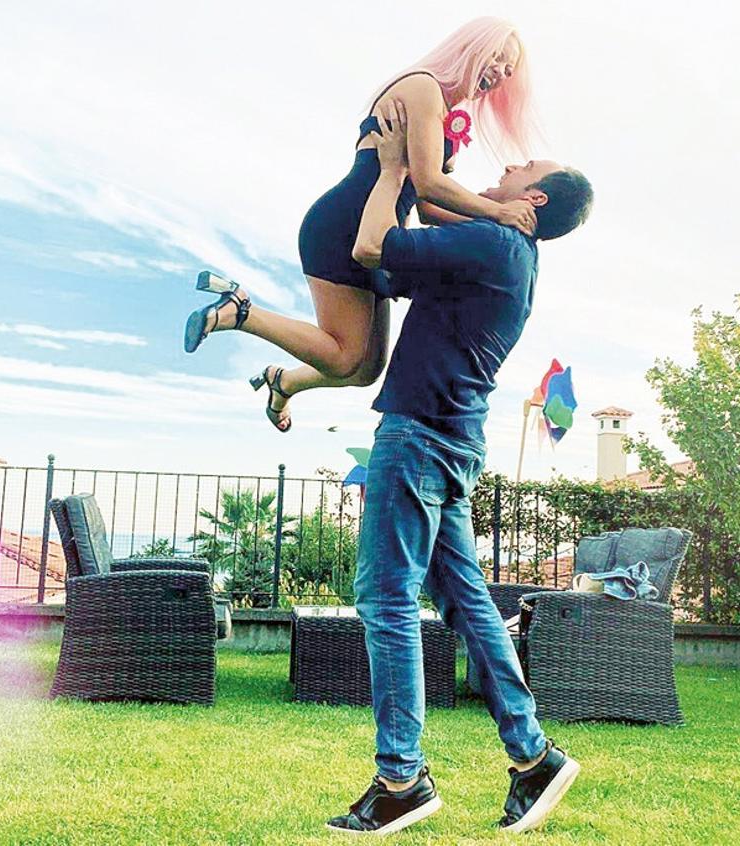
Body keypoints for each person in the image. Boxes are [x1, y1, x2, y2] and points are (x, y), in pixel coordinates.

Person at [324, 102, 593, 836]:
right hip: (452, 439)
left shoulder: (496, 244)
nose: (508, 164)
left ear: (535, 198)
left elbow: (374, 246)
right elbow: (425, 227)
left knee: (385, 598)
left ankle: (401, 779)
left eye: (523, 167)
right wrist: (424, 171)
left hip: (419, 434)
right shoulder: (504, 254)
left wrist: (391, 168)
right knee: (466, 602)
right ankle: (533, 756)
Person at [184, 17, 538, 432]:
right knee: (344, 358)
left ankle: (283, 382)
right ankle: (240, 311)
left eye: (509, 69)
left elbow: (427, 207)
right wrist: (498, 212)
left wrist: (502, 234)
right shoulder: (423, 87)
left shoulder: (448, 115)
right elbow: (429, 181)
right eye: (497, 57)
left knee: (367, 369)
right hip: (344, 224)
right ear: (471, 47)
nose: (500, 72)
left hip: (379, 229)